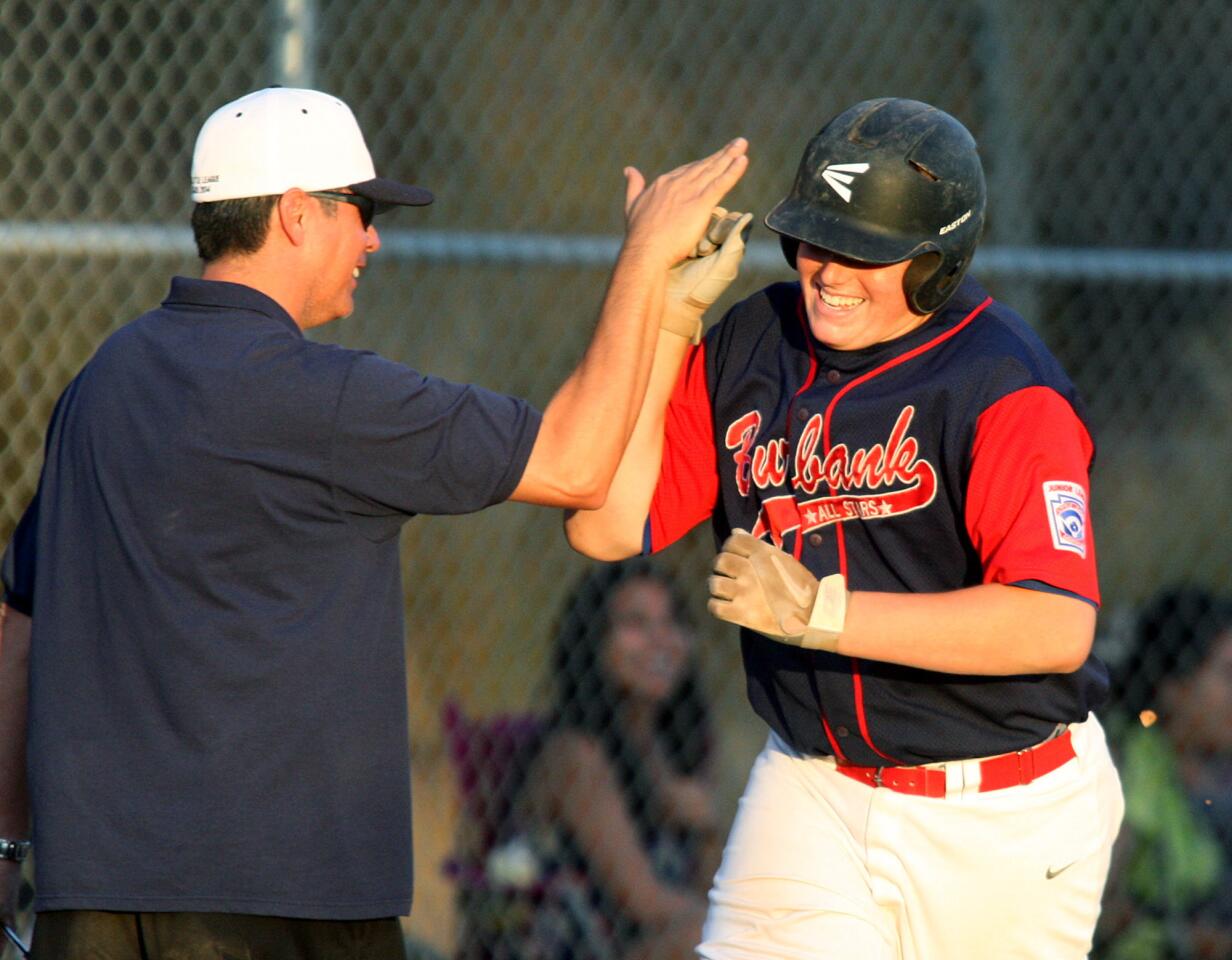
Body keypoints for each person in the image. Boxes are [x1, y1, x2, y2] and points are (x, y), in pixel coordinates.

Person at [0, 85, 748, 959]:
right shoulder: (335, 399)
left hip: (94, 896)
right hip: (282, 902)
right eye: (358, 211)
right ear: (292, 216)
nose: (372, 238)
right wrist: (645, 269)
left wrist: (7, 843)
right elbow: (578, 466)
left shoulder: (105, 382)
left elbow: (20, 625)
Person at [565, 97, 1125, 959]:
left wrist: (823, 612)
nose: (825, 270)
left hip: (1002, 811)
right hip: (812, 787)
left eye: (865, 252)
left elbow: (1054, 622)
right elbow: (606, 524)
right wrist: (666, 318)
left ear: (935, 264)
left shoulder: (1002, 386)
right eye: (814, 240)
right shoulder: (757, 342)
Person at [456, 560, 717, 960]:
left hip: (647, 945)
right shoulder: (575, 755)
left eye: (672, 622)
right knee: (709, 935)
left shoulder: (677, 748)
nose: (661, 640)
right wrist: (751, 924)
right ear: (595, 641)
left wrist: (708, 830)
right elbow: (643, 902)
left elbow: (705, 887)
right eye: (636, 623)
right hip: (559, 950)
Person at [1094, 587, 1232, 960]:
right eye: (1227, 675)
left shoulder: (1209, 771)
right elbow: (1099, 909)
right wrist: (1185, 937)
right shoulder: (1133, 770)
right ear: (1174, 687)